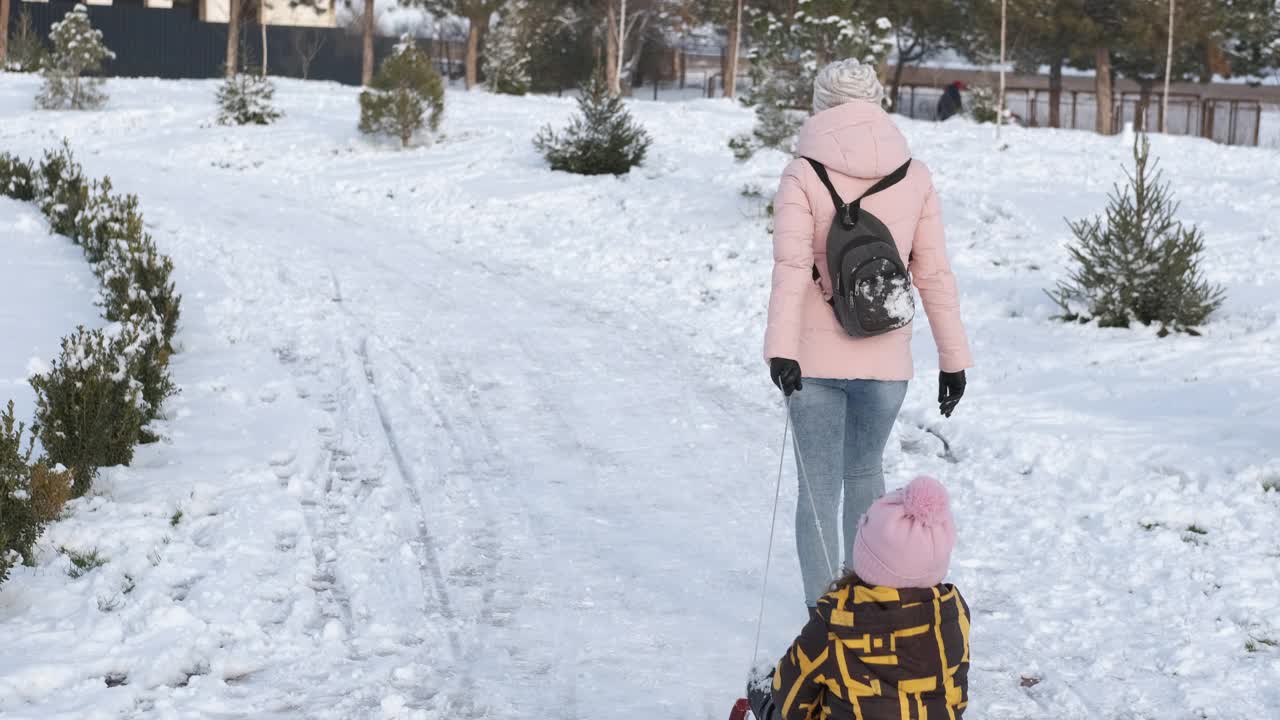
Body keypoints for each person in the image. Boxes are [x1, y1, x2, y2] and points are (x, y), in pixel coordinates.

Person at [764, 59, 973, 612]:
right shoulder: (915, 174)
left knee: (818, 494)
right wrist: (953, 359)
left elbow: (789, 269)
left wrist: (781, 350)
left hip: (812, 361)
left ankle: (824, 624)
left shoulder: (801, 173)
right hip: (886, 362)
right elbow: (932, 272)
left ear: (820, 102)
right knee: (865, 475)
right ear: (876, 101)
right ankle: (870, 614)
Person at [747, 476, 971, 720]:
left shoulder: (836, 624)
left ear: (866, 560)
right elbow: (956, 698)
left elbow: (789, 700)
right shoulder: (954, 615)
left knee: (768, 697)